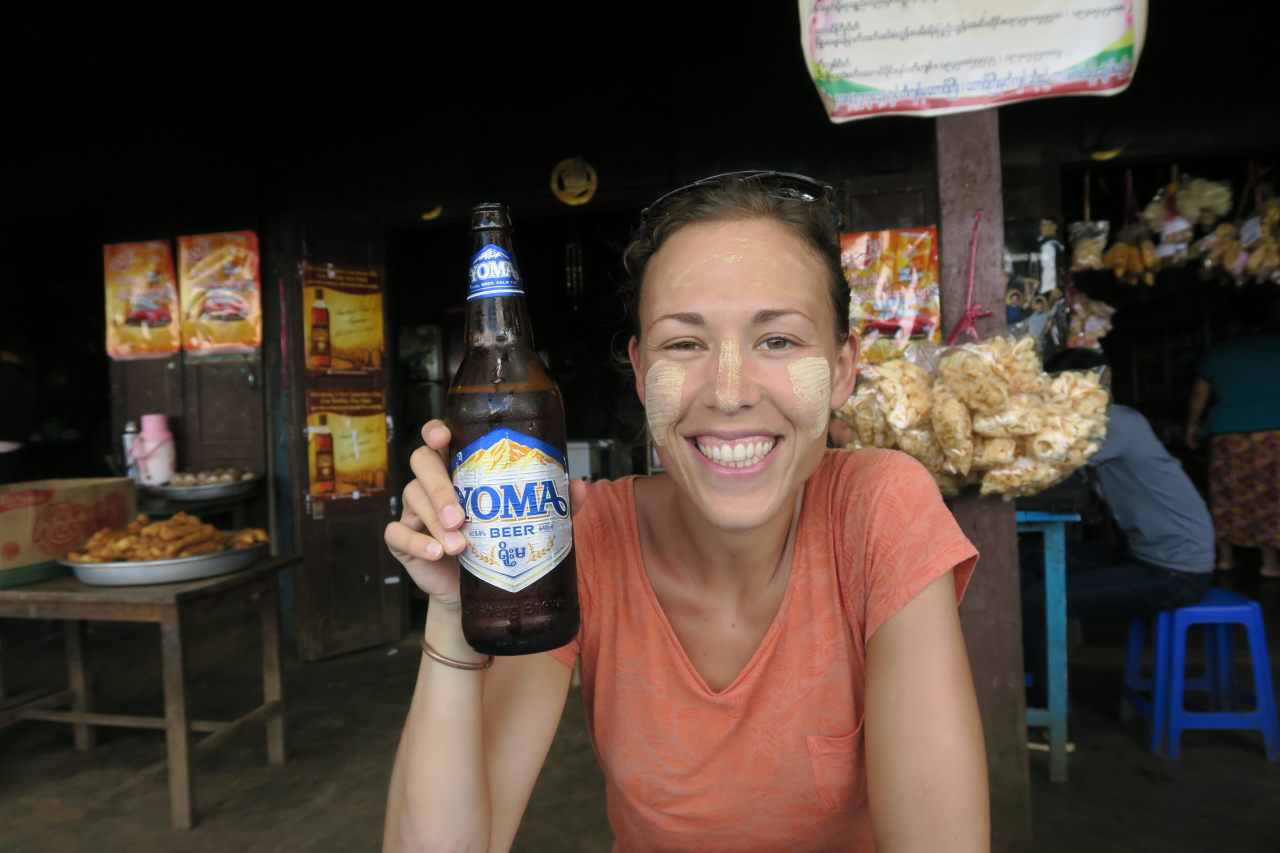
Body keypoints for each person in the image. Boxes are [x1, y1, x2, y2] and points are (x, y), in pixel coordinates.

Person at [382, 171, 988, 851]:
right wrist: (455, 601)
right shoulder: (584, 538)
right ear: (642, 373)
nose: (729, 392)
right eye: (684, 343)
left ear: (844, 367)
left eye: (778, 340)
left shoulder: (880, 508)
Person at [1021, 347, 1214, 703]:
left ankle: (1047, 707)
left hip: (1176, 573)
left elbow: (1045, 460)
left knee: (1036, 602)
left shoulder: (1116, 422)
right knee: (1029, 553)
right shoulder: (1091, 425)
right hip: (1145, 558)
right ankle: (1029, 669)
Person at [1185, 293, 1280, 578]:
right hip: (1274, 434)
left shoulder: (1219, 352)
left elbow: (1200, 393)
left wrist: (1192, 426)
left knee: (1227, 494)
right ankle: (1269, 562)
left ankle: (1226, 558)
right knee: (1272, 494)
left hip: (1229, 435)